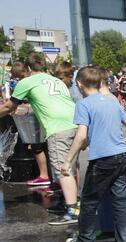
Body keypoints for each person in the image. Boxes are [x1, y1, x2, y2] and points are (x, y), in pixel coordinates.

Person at [63, 66, 126, 242]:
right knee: (119, 201)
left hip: (102, 159)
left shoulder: (84, 104)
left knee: (89, 200)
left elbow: (81, 136)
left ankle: (85, 240)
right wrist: (125, 147)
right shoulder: (113, 102)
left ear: (80, 83)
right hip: (121, 155)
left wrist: (68, 161)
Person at [0, 53, 80, 225]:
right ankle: (73, 200)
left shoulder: (26, 82)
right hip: (75, 123)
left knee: (63, 169)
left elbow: (9, 106)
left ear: (28, 69)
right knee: (72, 165)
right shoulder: (56, 80)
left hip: (58, 127)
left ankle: (73, 210)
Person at [7, 61, 50, 187]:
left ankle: (44, 175)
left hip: (37, 118)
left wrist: (13, 109)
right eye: (18, 78)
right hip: (43, 117)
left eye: (21, 76)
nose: (21, 79)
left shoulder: (27, 83)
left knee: (37, 147)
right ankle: (47, 175)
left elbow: (14, 104)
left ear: (27, 70)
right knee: (43, 146)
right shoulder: (37, 81)